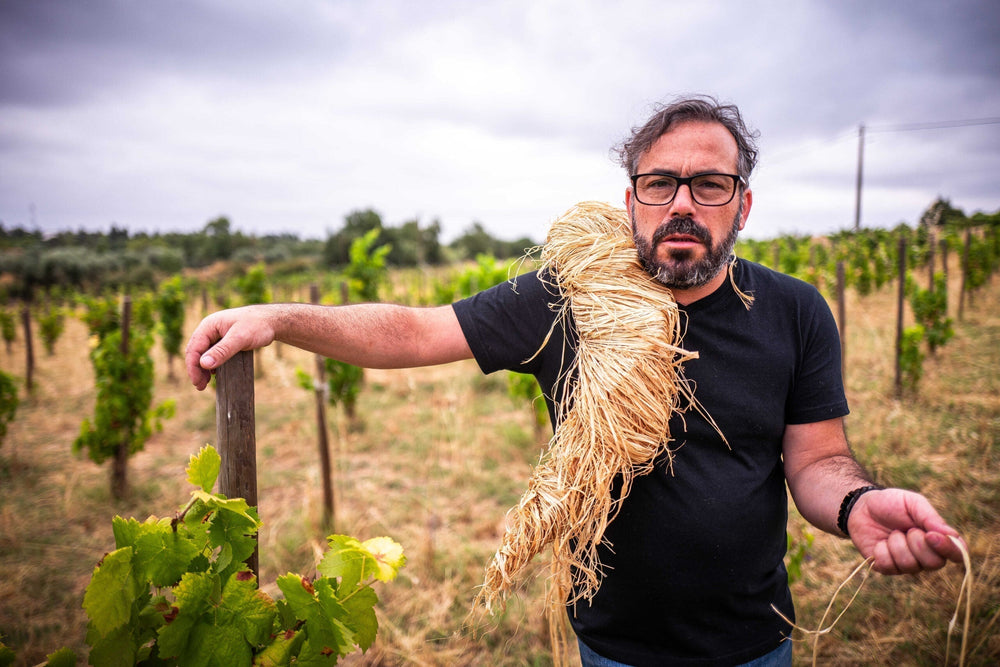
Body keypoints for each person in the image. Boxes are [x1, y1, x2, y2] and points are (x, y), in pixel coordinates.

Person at [185, 95, 965, 667]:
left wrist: (859, 503)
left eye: (710, 185)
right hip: (612, 646)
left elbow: (816, 462)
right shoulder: (569, 295)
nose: (683, 205)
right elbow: (417, 329)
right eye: (660, 184)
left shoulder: (794, 311)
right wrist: (281, 317)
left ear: (743, 204)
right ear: (631, 200)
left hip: (754, 642)